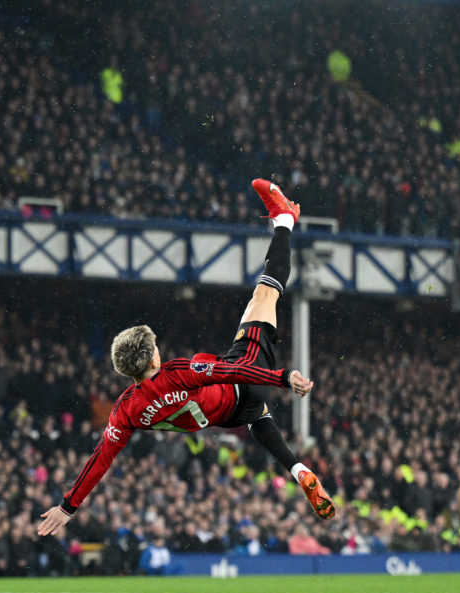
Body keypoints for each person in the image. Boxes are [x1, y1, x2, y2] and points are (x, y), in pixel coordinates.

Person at [38, 179, 335, 538]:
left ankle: (297, 468)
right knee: (265, 293)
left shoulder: (126, 409)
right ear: (151, 361)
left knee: (258, 417)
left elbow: (101, 459)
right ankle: (285, 220)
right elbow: (232, 368)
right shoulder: (176, 372)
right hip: (242, 383)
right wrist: (283, 378)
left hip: (226, 417)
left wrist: (68, 505)